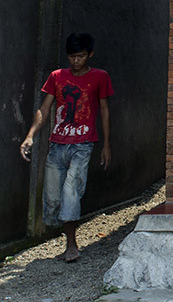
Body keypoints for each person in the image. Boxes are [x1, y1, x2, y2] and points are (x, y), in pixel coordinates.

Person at [19, 33, 113, 262]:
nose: (76, 61)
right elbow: (45, 109)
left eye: (80, 56)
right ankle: (67, 240)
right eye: (72, 57)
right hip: (57, 146)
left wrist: (106, 144)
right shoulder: (57, 76)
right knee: (52, 199)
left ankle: (72, 246)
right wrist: (30, 136)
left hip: (82, 145)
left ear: (90, 54)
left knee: (71, 193)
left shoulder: (100, 77)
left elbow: (104, 110)